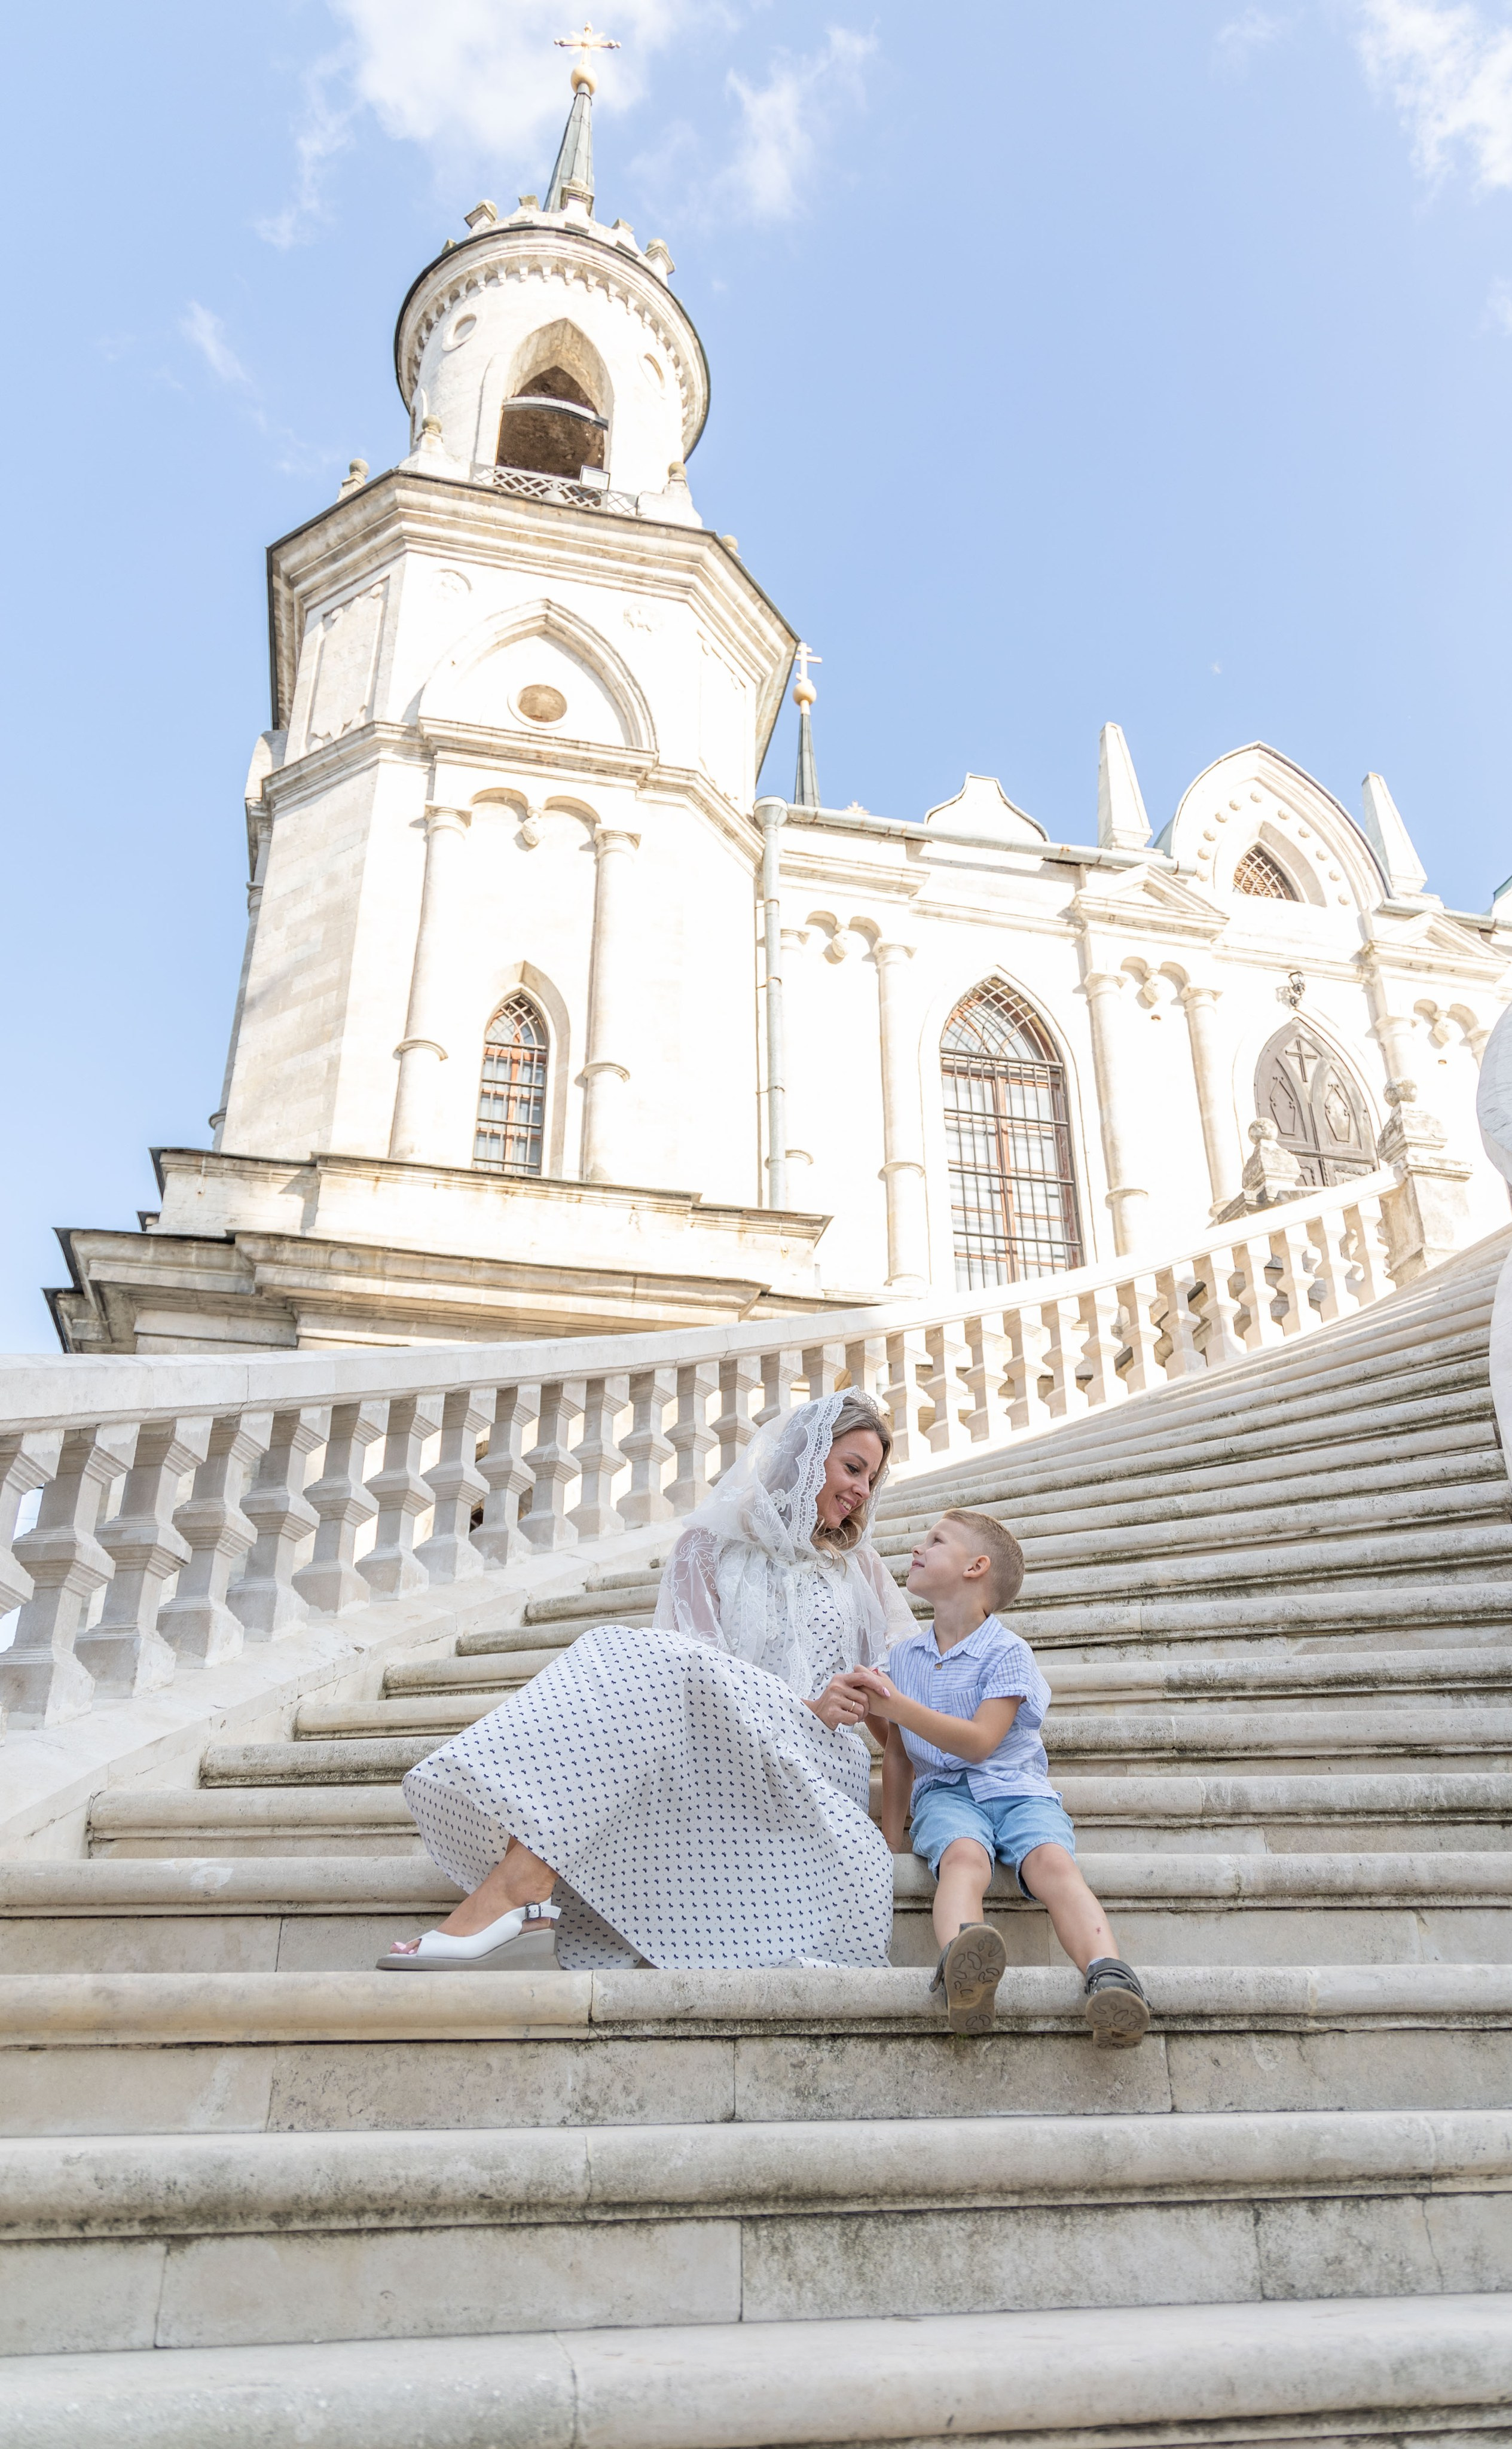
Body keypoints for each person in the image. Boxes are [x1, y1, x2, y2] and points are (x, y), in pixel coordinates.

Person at [379, 1390, 914, 1974]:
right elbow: (694, 1674)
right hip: (725, 1747)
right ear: (807, 1457)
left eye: (872, 1477)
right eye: (852, 1467)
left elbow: (902, 1702)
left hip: (813, 1763)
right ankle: (521, 1882)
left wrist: (836, 1711)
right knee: (628, 1654)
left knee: (630, 1654)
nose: (863, 1490)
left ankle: (517, 1891)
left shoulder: (859, 1567)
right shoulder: (707, 1545)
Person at [865, 1508, 1151, 2047]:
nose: (916, 1548)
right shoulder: (902, 1659)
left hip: (1018, 1789)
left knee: (1053, 1864)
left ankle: (1109, 1974)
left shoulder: (1008, 1652)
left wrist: (898, 1707)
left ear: (976, 1568)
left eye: (935, 1540)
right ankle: (962, 1968)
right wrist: (889, 1841)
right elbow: (899, 1758)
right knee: (962, 1861)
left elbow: (980, 1741)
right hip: (945, 1795)